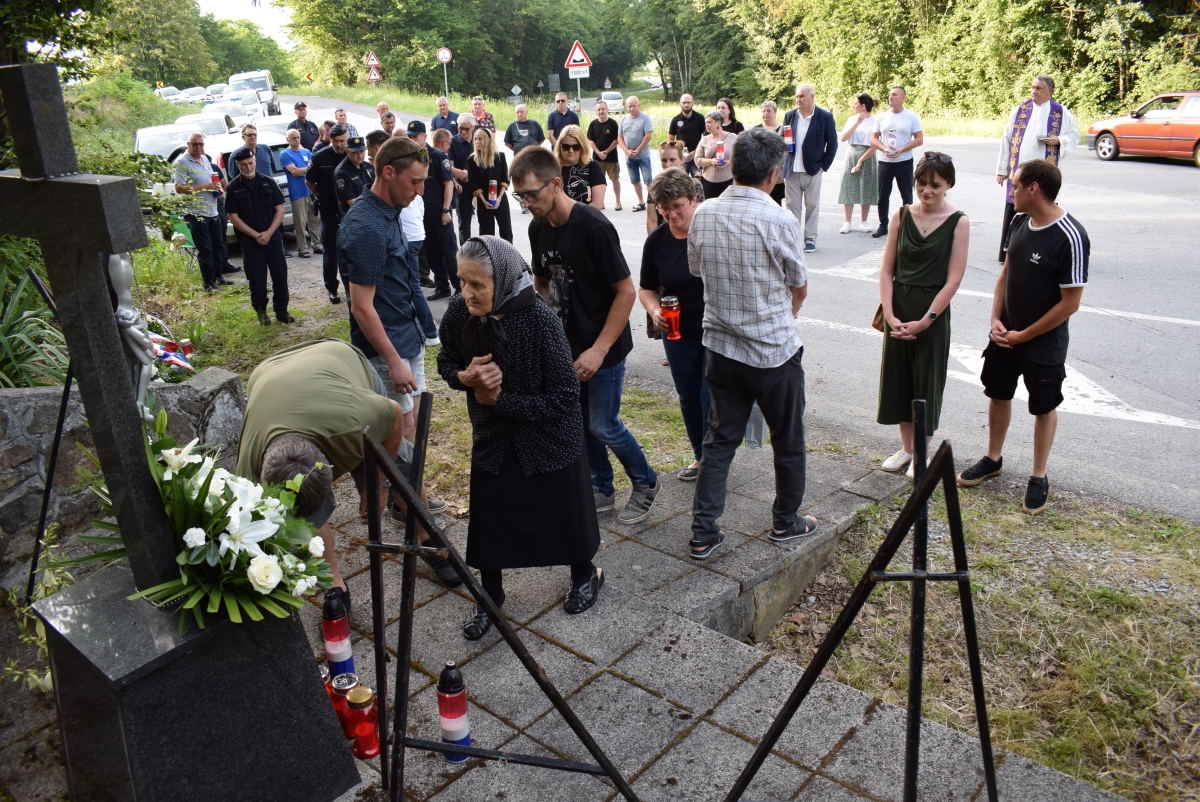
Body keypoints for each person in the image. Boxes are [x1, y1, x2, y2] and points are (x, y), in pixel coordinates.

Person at [437, 236, 604, 639]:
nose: (467, 293)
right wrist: (465, 378)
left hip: (549, 436)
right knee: (491, 515)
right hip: (494, 437)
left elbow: (566, 397)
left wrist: (501, 400)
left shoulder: (540, 321)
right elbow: (445, 360)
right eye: (462, 281)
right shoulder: (461, 313)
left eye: (477, 284)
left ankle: (585, 574)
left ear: (504, 278)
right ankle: (490, 594)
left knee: (565, 514)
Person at [236, 338, 457, 612]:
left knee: (400, 466)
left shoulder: (355, 419)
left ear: (328, 465)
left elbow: (395, 414)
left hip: (341, 361)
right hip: (270, 374)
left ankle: (425, 536)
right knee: (304, 514)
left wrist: (378, 485)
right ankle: (335, 584)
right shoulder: (249, 469)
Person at [511, 146, 661, 525]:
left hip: (604, 345)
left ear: (556, 183)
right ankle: (601, 487)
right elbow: (542, 282)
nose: (527, 203)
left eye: (532, 194)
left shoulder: (593, 227)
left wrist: (599, 349)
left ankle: (646, 482)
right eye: (521, 196)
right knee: (578, 421)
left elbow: (627, 291)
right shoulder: (537, 227)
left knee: (602, 423)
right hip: (567, 345)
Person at [686, 127, 816, 559]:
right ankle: (786, 521)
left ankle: (703, 531)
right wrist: (785, 313)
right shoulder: (779, 219)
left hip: (721, 347)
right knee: (788, 437)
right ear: (774, 173)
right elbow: (799, 284)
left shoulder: (703, 213)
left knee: (720, 439)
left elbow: (698, 270)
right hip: (773, 352)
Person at [337, 137, 453, 558]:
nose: (421, 190)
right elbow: (362, 307)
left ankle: (409, 503)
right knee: (397, 441)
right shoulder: (365, 226)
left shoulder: (390, 212)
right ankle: (424, 533)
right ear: (388, 172)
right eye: (415, 182)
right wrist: (392, 361)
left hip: (408, 340)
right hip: (386, 351)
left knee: (413, 429)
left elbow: (402, 282)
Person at [958, 159, 1089, 515]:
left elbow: (1070, 303)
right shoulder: (1018, 221)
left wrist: (1024, 335)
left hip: (1041, 342)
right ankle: (993, 458)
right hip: (1004, 335)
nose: (1010, 191)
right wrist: (995, 320)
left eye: (1015, 186)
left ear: (1034, 189)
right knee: (998, 394)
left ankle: (1038, 475)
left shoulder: (1071, 237)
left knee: (1044, 407)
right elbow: (1006, 273)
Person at [876, 152, 969, 478]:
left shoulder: (959, 221)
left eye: (935, 185)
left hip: (932, 313)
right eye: (921, 183)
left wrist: (927, 319)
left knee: (926, 383)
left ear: (948, 185)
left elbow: (953, 279)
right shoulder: (901, 215)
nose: (926, 190)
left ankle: (923, 453)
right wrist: (889, 313)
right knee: (899, 379)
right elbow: (886, 270)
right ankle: (907, 449)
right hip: (898, 309)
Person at [638, 168, 708, 481]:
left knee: (711, 397)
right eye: (664, 208)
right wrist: (654, 310)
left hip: (715, 330)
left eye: (677, 205)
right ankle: (701, 456)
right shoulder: (657, 241)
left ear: (694, 199)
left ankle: (715, 458)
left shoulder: (709, 231)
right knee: (688, 396)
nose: (671, 214)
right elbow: (646, 287)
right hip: (676, 331)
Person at [995, 75, 1079, 262]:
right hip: (1020, 172)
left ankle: (1040, 251)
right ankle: (1010, 251)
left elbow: (1074, 135)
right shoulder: (1020, 111)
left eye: (1039, 88)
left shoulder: (1061, 113)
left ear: (1050, 91)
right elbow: (1007, 139)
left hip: (1045, 173)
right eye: (1032, 87)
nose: (1034, 91)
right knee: (1015, 208)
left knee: (1043, 208)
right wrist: (1002, 169)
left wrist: (1060, 140)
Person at [225, 147, 293, 326]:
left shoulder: (269, 182)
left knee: (279, 274)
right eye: (243, 164)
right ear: (237, 165)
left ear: (255, 161)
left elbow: (279, 210)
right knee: (256, 277)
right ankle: (261, 312)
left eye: (250, 163)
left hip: (273, 238)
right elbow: (233, 217)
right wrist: (256, 235)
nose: (248, 167)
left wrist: (269, 233)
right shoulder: (233, 187)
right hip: (250, 241)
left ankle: (281, 310)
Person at [782, 83, 838, 253]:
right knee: (792, 208)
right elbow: (783, 138)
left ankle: (810, 239)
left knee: (812, 206)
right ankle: (792, 239)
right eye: (797, 96)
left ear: (812, 97)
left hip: (813, 170)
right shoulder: (790, 115)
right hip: (792, 170)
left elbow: (833, 144)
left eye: (802, 96)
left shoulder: (824, 117)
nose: (798, 99)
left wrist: (823, 166)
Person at [172, 132, 229, 292]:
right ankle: (208, 283)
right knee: (206, 249)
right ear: (188, 144)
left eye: (201, 144)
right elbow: (179, 187)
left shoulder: (204, 159)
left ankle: (218, 277)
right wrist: (205, 187)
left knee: (218, 245)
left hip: (212, 209)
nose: (198, 147)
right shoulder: (182, 162)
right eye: (194, 144)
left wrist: (218, 190)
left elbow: (211, 181)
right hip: (196, 213)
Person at [871, 86, 923, 238]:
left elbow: (919, 139)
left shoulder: (911, 117)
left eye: (894, 95)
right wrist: (883, 148)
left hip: (904, 161)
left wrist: (902, 149)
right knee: (882, 195)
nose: (891, 97)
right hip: (885, 162)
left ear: (903, 97)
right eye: (889, 95)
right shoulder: (881, 117)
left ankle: (907, 225)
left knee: (906, 195)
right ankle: (883, 225)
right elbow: (873, 138)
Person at [415, 121, 459, 301]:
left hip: (440, 211)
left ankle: (459, 287)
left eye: (414, 136)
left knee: (449, 251)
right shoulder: (412, 157)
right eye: (409, 137)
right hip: (422, 213)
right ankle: (442, 286)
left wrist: (446, 209)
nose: (411, 140)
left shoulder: (438, 156)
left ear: (424, 137)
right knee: (432, 252)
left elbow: (448, 184)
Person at [307, 123, 350, 304]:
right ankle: (332, 288)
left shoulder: (351, 154)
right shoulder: (319, 157)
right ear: (329, 139)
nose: (341, 144)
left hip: (348, 209)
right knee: (330, 252)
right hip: (328, 208)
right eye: (337, 141)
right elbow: (309, 181)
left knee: (349, 250)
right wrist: (319, 195)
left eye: (343, 141)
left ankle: (351, 286)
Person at [838, 93, 879, 234]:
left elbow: (874, 145)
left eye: (855, 103)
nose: (853, 106)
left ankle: (864, 221)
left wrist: (861, 160)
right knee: (848, 186)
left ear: (863, 106)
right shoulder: (851, 119)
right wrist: (857, 122)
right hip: (852, 154)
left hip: (868, 155)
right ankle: (847, 222)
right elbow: (843, 138)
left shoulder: (875, 121)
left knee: (866, 187)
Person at [466, 127, 513, 242]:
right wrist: (483, 201)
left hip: (499, 197)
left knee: (506, 230)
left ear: (488, 140)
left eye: (480, 139)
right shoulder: (472, 160)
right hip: (483, 200)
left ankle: (508, 256)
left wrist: (499, 198)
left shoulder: (500, 157)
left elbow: (505, 179)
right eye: (476, 139)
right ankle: (489, 258)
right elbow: (473, 182)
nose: (477, 142)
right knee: (486, 233)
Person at [280, 129, 320, 257]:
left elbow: (314, 168)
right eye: (293, 138)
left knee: (315, 219)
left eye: (298, 137)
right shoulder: (285, 154)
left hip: (311, 190)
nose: (296, 140)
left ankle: (317, 244)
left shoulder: (306, 151)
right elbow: (295, 172)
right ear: (288, 140)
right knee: (300, 222)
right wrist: (308, 168)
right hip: (297, 192)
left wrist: (305, 169)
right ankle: (302, 248)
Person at [647, 142, 703, 232]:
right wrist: (652, 242)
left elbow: (698, 217)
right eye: (664, 160)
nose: (668, 164)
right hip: (664, 236)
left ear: (682, 160)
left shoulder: (695, 185)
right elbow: (652, 220)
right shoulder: (655, 185)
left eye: (672, 160)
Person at [555, 124, 605, 209]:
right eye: (566, 146)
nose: (571, 150)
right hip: (556, 219)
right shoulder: (551, 167)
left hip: (585, 219)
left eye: (576, 147)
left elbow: (598, 204)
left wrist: (573, 218)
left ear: (582, 147)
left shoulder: (592, 166)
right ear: (560, 147)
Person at [618, 96, 654, 212]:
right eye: (629, 106)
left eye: (634, 106)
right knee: (635, 181)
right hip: (629, 157)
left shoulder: (645, 118)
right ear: (626, 106)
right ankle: (641, 202)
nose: (632, 108)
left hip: (643, 156)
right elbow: (619, 138)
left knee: (648, 181)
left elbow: (648, 136)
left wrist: (637, 150)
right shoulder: (623, 119)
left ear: (639, 105)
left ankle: (652, 203)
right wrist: (627, 151)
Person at [587, 100, 622, 210]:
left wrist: (606, 151)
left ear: (607, 110)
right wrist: (598, 152)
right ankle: (600, 202)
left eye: (603, 109)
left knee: (615, 179)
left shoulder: (612, 123)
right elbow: (590, 140)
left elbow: (616, 140)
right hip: (597, 159)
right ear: (596, 111)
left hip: (611, 158)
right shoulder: (593, 124)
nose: (601, 111)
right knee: (598, 182)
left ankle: (618, 202)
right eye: (599, 109)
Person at [695, 111, 737, 199]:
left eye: (709, 122)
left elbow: (743, 157)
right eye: (706, 123)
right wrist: (711, 161)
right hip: (709, 182)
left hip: (728, 180)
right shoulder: (705, 140)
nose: (706, 125)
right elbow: (697, 160)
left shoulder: (733, 137)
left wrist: (729, 162)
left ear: (718, 123)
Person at [334, 136, 375, 217]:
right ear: (347, 151)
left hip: (371, 213)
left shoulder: (368, 166)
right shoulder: (342, 173)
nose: (359, 155)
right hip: (355, 217)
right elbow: (352, 202)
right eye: (355, 152)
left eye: (362, 151)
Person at [449, 118, 477, 240]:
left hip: (479, 183)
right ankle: (465, 251)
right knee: (464, 221)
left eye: (467, 128)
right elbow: (449, 166)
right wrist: (461, 175)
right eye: (460, 128)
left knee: (485, 220)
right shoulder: (453, 141)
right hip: (462, 184)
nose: (463, 131)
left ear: (473, 127)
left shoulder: (478, 139)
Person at [755, 100, 786, 205]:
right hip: (761, 173)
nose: (765, 113)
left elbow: (788, 149)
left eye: (769, 111)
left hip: (778, 173)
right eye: (763, 111)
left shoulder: (783, 129)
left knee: (776, 202)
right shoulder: (756, 129)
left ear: (775, 112)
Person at [669, 93, 705, 177]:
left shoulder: (700, 118)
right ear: (680, 104)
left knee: (698, 181)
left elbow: (707, 138)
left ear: (693, 103)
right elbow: (670, 140)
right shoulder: (675, 120)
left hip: (696, 157)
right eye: (684, 102)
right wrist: (676, 154)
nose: (686, 104)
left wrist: (695, 152)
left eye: (688, 102)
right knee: (680, 183)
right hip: (681, 158)